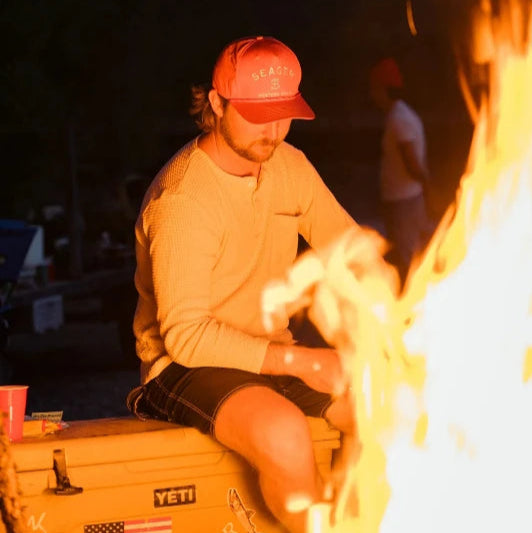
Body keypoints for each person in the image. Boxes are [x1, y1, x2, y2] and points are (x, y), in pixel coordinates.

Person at [127, 36, 370, 532]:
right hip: (184, 366)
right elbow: (187, 336)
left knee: (386, 406)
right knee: (283, 430)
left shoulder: (290, 167)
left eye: (284, 115)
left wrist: (390, 322)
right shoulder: (183, 199)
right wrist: (304, 361)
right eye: (258, 115)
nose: (273, 131)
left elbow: (350, 253)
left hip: (270, 355)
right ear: (217, 103)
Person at [369, 57, 433, 283]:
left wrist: (428, 187)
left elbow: (413, 164)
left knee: (408, 258)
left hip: (404, 202)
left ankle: (412, 298)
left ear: (384, 89)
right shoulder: (400, 114)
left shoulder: (399, 119)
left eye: (375, 88)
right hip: (403, 199)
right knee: (410, 253)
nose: (372, 94)